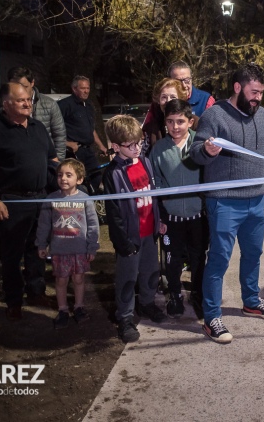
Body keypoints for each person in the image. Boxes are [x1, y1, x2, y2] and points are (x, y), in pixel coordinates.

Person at [190, 64, 264, 344]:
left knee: (253, 254)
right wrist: (206, 150)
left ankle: (251, 301)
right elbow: (196, 153)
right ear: (238, 87)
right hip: (225, 203)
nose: (258, 99)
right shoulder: (214, 115)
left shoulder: (262, 115)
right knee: (218, 260)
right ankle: (212, 316)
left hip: (256, 200)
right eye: (254, 92)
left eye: (261, 93)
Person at [0, 82, 57, 320]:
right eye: (21, 99)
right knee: (12, 254)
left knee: (38, 248)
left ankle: (36, 291)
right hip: (12, 200)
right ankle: (13, 300)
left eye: (29, 99)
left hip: (40, 198)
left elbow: (51, 158)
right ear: (6, 103)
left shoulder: (38, 127)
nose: (27, 103)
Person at [103, 114, 167, 343]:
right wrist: (122, 242)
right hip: (130, 238)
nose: (137, 148)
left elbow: (153, 196)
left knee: (151, 271)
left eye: (139, 142)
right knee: (127, 278)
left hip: (149, 232)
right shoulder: (112, 173)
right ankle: (125, 317)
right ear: (115, 146)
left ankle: (147, 303)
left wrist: (158, 220)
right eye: (131, 145)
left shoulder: (145, 162)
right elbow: (114, 213)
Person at [149, 99, 208, 320]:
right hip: (171, 218)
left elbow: (208, 178)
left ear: (190, 121)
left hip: (198, 216)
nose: (175, 127)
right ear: (165, 122)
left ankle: (198, 294)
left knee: (198, 257)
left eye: (181, 121)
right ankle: (174, 294)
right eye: (171, 121)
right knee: (172, 259)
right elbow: (155, 183)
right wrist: (161, 215)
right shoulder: (159, 150)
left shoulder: (200, 145)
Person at [35, 158, 99, 329]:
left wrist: (92, 246)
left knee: (78, 279)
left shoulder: (85, 200)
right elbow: (44, 224)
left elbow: (93, 224)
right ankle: (62, 309)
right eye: (60, 175)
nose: (63, 178)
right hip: (59, 250)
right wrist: (41, 244)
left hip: (80, 249)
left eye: (68, 175)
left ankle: (79, 307)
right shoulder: (51, 199)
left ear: (79, 179)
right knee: (61, 280)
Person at [7, 67, 67, 160]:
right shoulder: (3, 107)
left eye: (24, 86)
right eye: (15, 87)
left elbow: (59, 136)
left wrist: (56, 166)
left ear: (32, 83)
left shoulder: (49, 104)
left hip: (45, 162)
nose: (20, 91)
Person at [57, 75, 108, 184]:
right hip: (73, 152)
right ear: (74, 89)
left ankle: (92, 200)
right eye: (82, 88)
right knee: (78, 182)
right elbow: (53, 128)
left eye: (88, 88)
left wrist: (101, 146)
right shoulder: (64, 105)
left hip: (88, 151)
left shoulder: (88, 105)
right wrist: (67, 143)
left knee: (96, 177)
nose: (86, 91)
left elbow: (91, 129)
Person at [142, 78, 187, 151]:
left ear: (180, 99)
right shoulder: (151, 127)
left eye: (173, 97)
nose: (168, 101)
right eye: (164, 97)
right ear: (158, 100)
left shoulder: (193, 123)